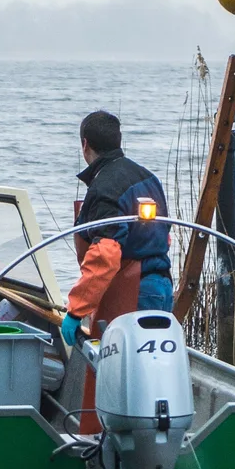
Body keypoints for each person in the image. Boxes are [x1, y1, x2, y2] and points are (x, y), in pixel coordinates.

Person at [59, 111, 172, 348]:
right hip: (162, 288)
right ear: (118, 141)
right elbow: (165, 237)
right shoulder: (149, 178)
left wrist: (76, 311)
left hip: (133, 294)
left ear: (85, 144)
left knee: (121, 367)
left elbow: (105, 255)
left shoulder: (104, 188)